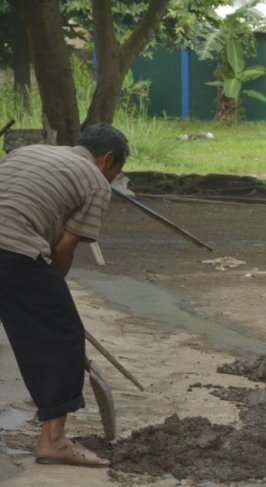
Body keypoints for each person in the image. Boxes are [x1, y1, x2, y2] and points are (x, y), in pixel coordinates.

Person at [0, 123, 129, 467]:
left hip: (8, 244)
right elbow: (64, 248)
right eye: (116, 172)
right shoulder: (97, 182)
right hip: (12, 248)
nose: (113, 178)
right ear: (108, 160)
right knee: (64, 336)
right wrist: (55, 300)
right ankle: (53, 441)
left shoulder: (26, 152)